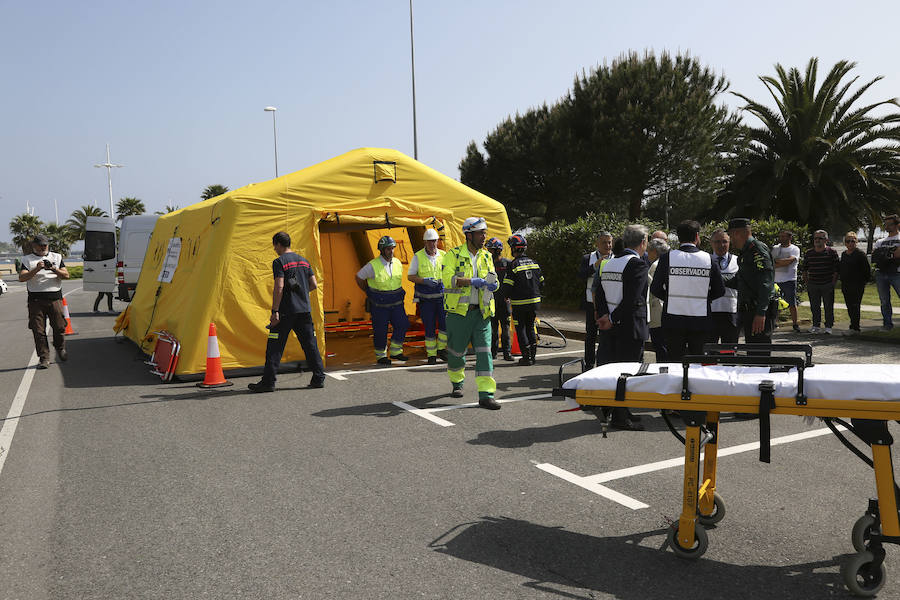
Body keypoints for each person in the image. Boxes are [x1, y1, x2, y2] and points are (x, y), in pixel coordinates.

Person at [248, 231, 326, 392]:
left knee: (275, 346)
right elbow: (313, 285)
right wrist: (300, 293)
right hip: (304, 311)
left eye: (274, 246)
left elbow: (279, 286)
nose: (274, 249)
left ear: (278, 244)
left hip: (285, 312)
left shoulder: (279, 262)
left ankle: (268, 382)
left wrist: (275, 310)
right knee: (310, 345)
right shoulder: (304, 261)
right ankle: (318, 378)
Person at [595, 224, 650, 431]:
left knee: (614, 370)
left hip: (611, 327)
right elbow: (632, 299)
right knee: (627, 372)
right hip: (628, 326)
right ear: (642, 242)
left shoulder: (608, 262)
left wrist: (604, 316)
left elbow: (599, 293)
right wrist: (612, 318)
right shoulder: (637, 264)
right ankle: (620, 416)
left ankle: (622, 411)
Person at [442, 217, 500, 408]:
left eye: (485, 232)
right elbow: (447, 279)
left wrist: (494, 284)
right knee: (457, 352)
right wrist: (471, 281)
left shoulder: (486, 256)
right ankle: (457, 383)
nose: (484, 236)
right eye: (480, 233)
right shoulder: (453, 254)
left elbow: (493, 278)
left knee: (485, 353)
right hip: (459, 313)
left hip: (481, 313)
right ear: (468, 235)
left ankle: (486, 394)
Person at [650, 220, 724, 361]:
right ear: (697, 237)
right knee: (698, 362)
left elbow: (655, 288)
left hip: (673, 320)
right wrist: (703, 299)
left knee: (675, 362)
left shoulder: (667, 258)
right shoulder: (709, 259)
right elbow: (720, 290)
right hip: (701, 320)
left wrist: (671, 299)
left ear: (678, 238)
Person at [18, 234, 70, 369]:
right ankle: (44, 358)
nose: (43, 247)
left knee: (59, 327)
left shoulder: (56, 257)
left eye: (45, 245)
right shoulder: (27, 259)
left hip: (55, 299)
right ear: (34, 246)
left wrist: (53, 268)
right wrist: (37, 268)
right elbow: (22, 278)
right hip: (36, 300)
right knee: (38, 330)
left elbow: (66, 275)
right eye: (40, 245)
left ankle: (60, 348)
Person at [356, 236, 410, 364]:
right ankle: (381, 356)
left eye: (392, 248)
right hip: (380, 305)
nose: (391, 251)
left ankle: (396, 352)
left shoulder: (397, 262)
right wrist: (367, 291)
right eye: (388, 249)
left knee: (403, 324)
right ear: (381, 250)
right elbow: (358, 277)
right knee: (381, 330)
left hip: (396, 303)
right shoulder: (372, 265)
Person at [726, 218, 776, 346]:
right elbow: (739, 281)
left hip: (757, 311)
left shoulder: (756, 249)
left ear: (737, 233)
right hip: (749, 311)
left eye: (730, 235)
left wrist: (761, 312)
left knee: (759, 354)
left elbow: (766, 282)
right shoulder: (746, 251)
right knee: (752, 353)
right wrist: (714, 277)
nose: (731, 240)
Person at [503, 234, 544, 366]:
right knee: (531, 327)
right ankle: (533, 356)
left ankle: (526, 357)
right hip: (534, 302)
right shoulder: (535, 263)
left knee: (520, 329)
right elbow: (542, 283)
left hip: (519, 304)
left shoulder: (513, 264)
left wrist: (505, 296)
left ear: (514, 249)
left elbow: (508, 286)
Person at [407, 229, 447, 365]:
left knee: (445, 325)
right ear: (425, 242)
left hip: (441, 297)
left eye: (434, 241)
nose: (432, 244)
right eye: (430, 241)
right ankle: (431, 355)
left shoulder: (444, 255)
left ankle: (441, 349)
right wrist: (424, 281)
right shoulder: (418, 257)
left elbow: (449, 273)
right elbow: (410, 276)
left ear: (437, 241)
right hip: (426, 300)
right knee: (429, 327)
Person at [579, 231, 613, 368]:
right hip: (590, 303)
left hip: (609, 303)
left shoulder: (616, 257)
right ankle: (589, 363)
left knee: (607, 336)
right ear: (597, 244)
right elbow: (581, 275)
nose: (608, 245)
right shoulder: (588, 258)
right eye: (604, 242)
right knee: (591, 335)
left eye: (610, 242)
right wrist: (594, 266)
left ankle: (605, 363)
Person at [801, 230, 840, 334]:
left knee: (828, 306)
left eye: (820, 238)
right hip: (813, 284)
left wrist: (833, 283)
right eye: (815, 238)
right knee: (814, 306)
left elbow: (837, 270)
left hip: (827, 284)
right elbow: (804, 269)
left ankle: (828, 327)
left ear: (826, 240)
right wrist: (807, 283)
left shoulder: (832, 252)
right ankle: (816, 326)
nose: (817, 240)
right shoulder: (809, 253)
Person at [708, 228, 740, 344]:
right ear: (711, 243)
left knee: (729, 351)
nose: (721, 245)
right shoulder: (705, 261)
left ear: (729, 242)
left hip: (731, 311)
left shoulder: (738, 261)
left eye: (724, 241)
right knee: (709, 351)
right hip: (710, 311)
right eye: (717, 242)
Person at [486, 237, 514, 362]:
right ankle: (493, 353)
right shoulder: (487, 264)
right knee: (493, 329)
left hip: (504, 301)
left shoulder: (508, 263)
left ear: (498, 250)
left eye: (491, 250)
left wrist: (510, 297)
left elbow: (514, 282)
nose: (488, 252)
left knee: (505, 328)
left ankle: (507, 353)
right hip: (492, 301)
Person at [872, 214, 900, 331]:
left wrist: (887, 255)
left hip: (897, 273)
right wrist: (892, 254)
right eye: (886, 224)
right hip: (881, 273)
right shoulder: (880, 241)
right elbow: (875, 257)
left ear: (897, 225)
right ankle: (887, 324)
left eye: (890, 224)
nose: (887, 226)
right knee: (884, 300)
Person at [840, 232, 871, 333]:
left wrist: (863, 282)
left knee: (855, 305)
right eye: (848, 241)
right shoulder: (844, 254)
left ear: (856, 242)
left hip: (857, 285)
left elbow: (867, 270)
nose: (850, 243)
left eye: (852, 241)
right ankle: (852, 325)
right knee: (849, 306)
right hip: (846, 285)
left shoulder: (860, 254)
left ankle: (855, 327)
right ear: (845, 243)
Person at [771, 230, 801, 332]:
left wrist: (777, 262)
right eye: (780, 236)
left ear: (790, 237)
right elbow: (771, 262)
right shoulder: (775, 248)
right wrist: (780, 262)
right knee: (775, 303)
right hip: (775, 280)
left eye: (784, 237)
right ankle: (774, 323)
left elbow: (789, 261)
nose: (782, 238)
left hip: (789, 280)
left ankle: (795, 324)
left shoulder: (794, 249)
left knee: (792, 303)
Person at [646, 236, 670, 361]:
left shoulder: (655, 265)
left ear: (655, 252)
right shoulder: (666, 262)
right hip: (662, 308)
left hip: (657, 309)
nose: (647, 254)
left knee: (660, 344)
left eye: (648, 251)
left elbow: (653, 287)